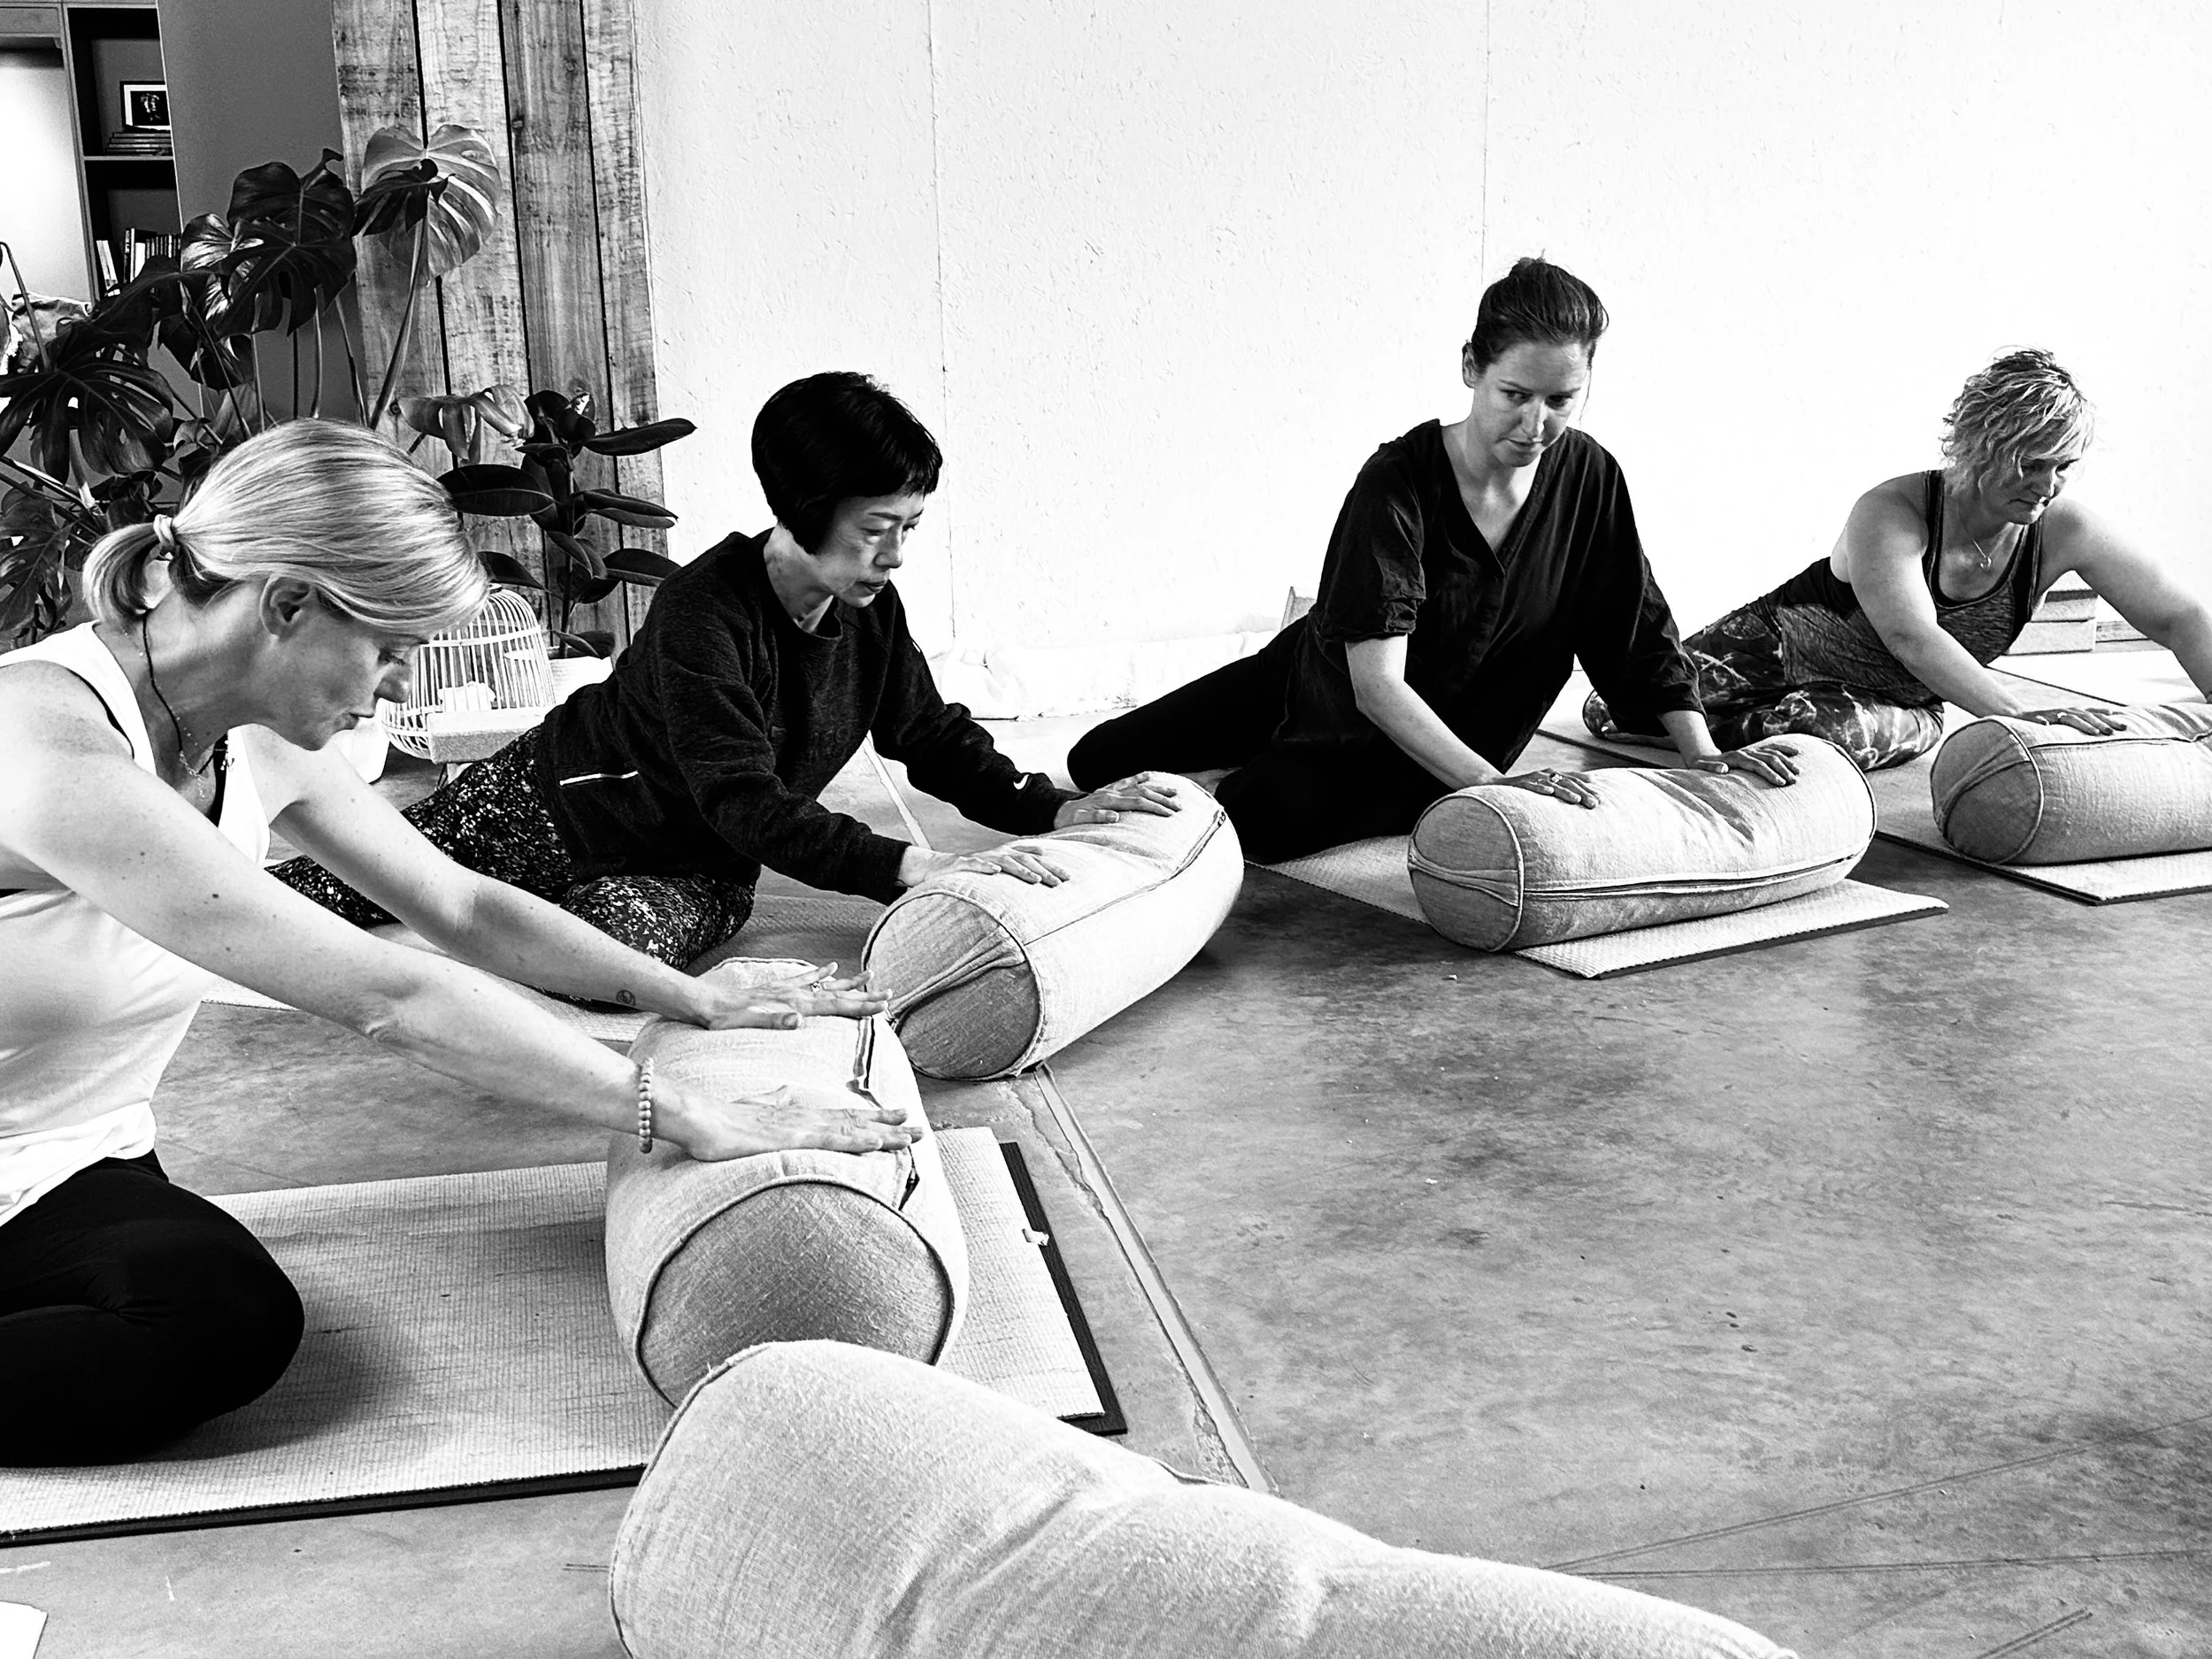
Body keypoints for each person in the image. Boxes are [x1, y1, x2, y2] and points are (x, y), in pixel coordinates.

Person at [0, 420, 917, 1466]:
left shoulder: (231, 728)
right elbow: (392, 995)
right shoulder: (45, 744)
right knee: (215, 1323)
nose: (396, 686)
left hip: (66, 1148)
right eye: (389, 649)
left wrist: (696, 1002)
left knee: (179, 1284)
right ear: (287, 604)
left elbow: (464, 910)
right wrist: (679, 1110)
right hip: (21, 1161)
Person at [274, 372, 1176, 963]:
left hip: (702, 867)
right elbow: (740, 794)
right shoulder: (703, 614)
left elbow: (929, 735)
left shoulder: (869, 609)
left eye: (909, 529)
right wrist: (909, 868)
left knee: (609, 960)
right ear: (803, 509)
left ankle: (520, 925)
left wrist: (1050, 806)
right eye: (875, 531)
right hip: (551, 807)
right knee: (322, 893)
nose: (895, 556)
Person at [1067, 257, 1797, 864]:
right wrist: (1490, 785)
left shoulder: (1590, 477)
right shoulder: (1398, 482)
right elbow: (1376, 686)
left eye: (1561, 400)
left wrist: (1701, 754)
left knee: (1260, 817)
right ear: (1470, 367)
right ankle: (1287, 761)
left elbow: (1636, 624)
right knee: (1096, 761)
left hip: (1446, 741)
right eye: (1514, 394)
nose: (1535, 424)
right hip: (1323, 690)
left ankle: (1343, 781)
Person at [1585, 349, 2212, 770]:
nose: (2047, 485)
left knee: (1825, 742)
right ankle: (1719, 721)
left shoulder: (2064, 529)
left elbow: (2179, 616)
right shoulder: (1893, 510)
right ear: (1978, 445)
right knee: (1615, 707)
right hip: (1779, 647)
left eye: (2062, 467)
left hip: (1896, 702)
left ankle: (1747, 727)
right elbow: (1913, 636)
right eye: (2030, 463)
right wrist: (2021, 715)